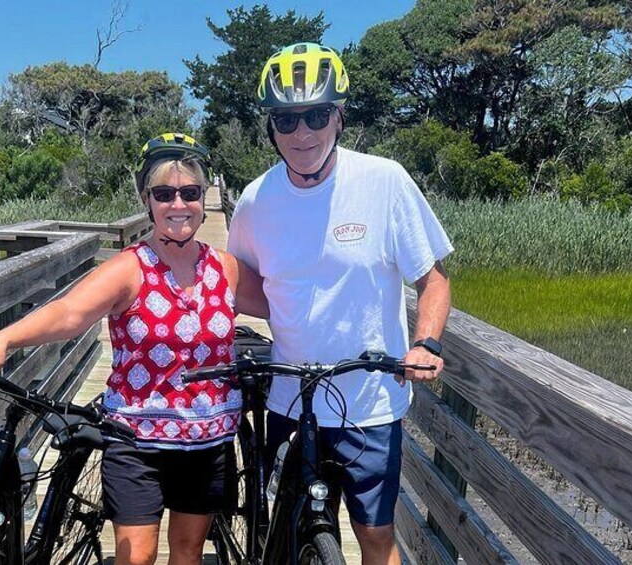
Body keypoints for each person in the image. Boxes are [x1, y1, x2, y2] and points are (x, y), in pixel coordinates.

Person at [0, 132, 269, 565]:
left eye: (190, 193)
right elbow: (69, 313)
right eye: (164, 193)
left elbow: (283, 303)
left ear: (202, 198)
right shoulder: (129, 268)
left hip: (206, 439)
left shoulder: (224, 268)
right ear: (146, 200)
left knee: (188, 551)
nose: (178, 204)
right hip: (136, 439)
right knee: (136, 557)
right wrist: (4, 338)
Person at [227, 43, 453, 565]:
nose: (302, 133)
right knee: (287, 530)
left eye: (316, 115)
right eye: (286, 119)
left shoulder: (384, 181)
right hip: (290, 398)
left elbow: (434, 278)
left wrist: (426, 344)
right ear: (271, 126)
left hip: (369, 401)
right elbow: (239, 282)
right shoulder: (256, 199)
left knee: (375, 535)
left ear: (339, 116)